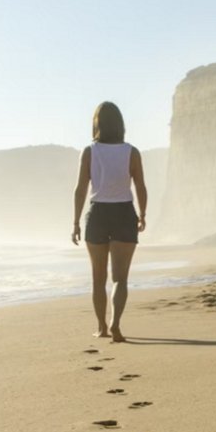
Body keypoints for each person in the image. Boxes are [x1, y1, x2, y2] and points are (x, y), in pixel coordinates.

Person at [71, 101, 147, 342]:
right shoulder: (131, 152)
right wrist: (142, 214)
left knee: (98, 278)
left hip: (98, 214)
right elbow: (140, 186)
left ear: (97, 124)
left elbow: (80, 188)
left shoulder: (90, 151)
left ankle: (102, 327)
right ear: (121, 124)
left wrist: (75, 222)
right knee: (120, 279)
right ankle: (116, 324)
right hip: (124, 213)